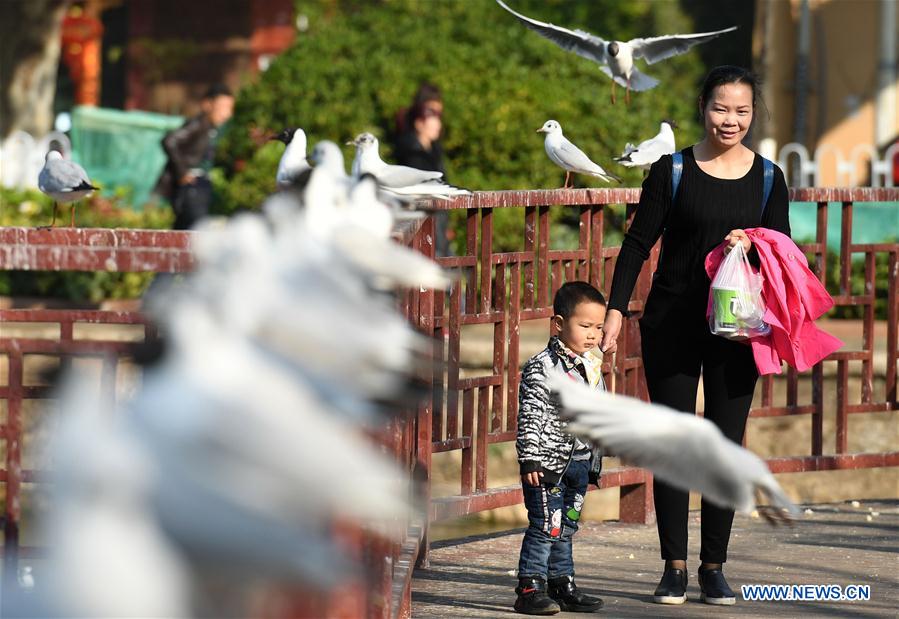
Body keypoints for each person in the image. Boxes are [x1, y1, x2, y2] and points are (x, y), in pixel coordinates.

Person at [599, 66, 791, 606]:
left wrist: (753, 243)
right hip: (673, 323)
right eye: (721, 108)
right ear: (703, 107)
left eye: (742, 111)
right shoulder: (672, 170)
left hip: (738, 329)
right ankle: (674, 568)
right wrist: (616, 310)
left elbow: (784, 253)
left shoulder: (770, 177)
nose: (730, 120)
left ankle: (714, 567)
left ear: (753, 115)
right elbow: (637, 244)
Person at [514, 281, 606, 615]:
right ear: (558, 324)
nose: (593, 334)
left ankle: (562, 583)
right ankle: (529, 587)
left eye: (598, 327)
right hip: (548, 465)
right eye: (584, 326)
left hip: (580, 462)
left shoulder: (591, 364)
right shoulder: (543, 367)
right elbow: (531, 416)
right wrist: (530, 459)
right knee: (545, 525)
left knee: (566, 525)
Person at [154, 83, 234, 230]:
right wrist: (182, 171)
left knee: (184, 230)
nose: (227, 113)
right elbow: (169, 141)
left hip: (201, 183)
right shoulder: (198, 124)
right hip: (191, 186)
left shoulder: (213, 129)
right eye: (223, 107)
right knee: (197, 229)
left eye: (230, 108)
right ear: (208, 104)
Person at [393, 82, 452, 256]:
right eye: (433, 114)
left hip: (438, 233)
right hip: (423, 238)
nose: (438, 122)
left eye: (439, 114)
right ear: (419, 121)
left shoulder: (433, 151)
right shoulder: (412, 156)